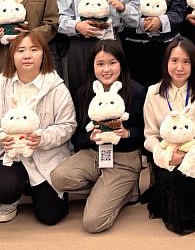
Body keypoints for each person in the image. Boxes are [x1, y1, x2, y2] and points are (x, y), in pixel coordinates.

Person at [0, 31, 76, 225]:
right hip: (9, 154)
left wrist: (42, 138)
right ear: (12, 55)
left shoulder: (56, 87)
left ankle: (32, 187)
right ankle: (12, 198)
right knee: (3, 190)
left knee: (52, 215)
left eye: (34, 50)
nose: (27, 55)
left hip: (45, 155)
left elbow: (68, 125)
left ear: (43, 54)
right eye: (21, 50)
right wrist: (0, 136)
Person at [50, 41, 145, 233]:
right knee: (58, 177)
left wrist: (127, 133)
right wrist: (90, 138)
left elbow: (147, 132)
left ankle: (126, 190)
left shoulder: (136, 91)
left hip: (123, 160)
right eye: (100, 64)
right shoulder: (84, 92)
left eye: (112, 63)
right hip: (93, 154)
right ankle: (105, 187)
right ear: (92, 66)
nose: (106, 69)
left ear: (121, 64)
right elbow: (77, 135)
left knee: (93, 223)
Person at [143, 38, 195, 235]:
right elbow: (150, 136)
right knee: (171, 171)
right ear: (166, 62)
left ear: (194, 64)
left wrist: (190, 154)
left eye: (186, 62)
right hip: (167, 150)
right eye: (174, 61)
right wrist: (167, 156)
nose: (180, 67)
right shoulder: (153, 93)